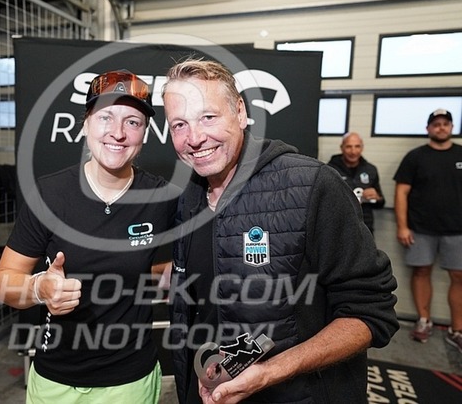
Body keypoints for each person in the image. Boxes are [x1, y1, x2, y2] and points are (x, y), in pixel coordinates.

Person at [161, 58, 398, 404]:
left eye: (208, 117)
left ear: (240, 112)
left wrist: (271, 372)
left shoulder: (313, 186)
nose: (194, 138)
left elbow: (370, 313)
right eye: (179, 125)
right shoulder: (190, 198)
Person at [0, 70, 179, 403]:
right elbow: (4, 282)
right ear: (85, 124)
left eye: (132, 122)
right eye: (105, 117)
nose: (118, 132)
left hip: (130, 381)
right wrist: (39, 288)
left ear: (145, 133)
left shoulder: (161, 197)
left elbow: (165, 270)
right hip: (55, 380)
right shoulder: (50, 194)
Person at [394, 108, 462, 351]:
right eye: (436, 124)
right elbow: (401, 192)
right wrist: (402, 226)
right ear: (428, 129)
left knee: (459, 276)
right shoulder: (415, 157)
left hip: (457, 230)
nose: (441, 127)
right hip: (420, 229)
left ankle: (457, 329)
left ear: (452, 127)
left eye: (445, 123)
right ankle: (424, 320)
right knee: (421, 271)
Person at [328, 132, 385, 234]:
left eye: (357, 146)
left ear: (362, 148)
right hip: (338, 227)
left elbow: (381, 203)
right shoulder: (330, 170)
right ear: (342, 148)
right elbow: (323, 201)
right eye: (349, 147)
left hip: (365, 227)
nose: (353, 151)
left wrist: (376, 197)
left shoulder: (371, 170)